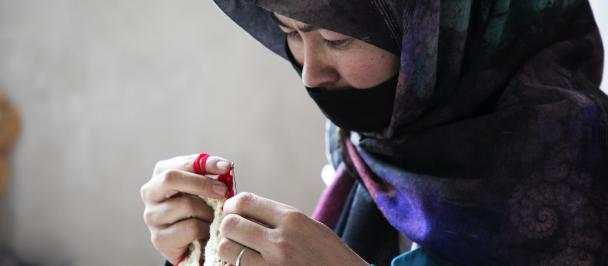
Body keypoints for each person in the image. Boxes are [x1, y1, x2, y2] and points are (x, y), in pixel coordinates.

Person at [140, 0, 608, 265]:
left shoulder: (587, 163)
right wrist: (197, 249)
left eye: (338, 39)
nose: (310, 72)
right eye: (291, 32)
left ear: (442, 28)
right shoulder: (373, 139)